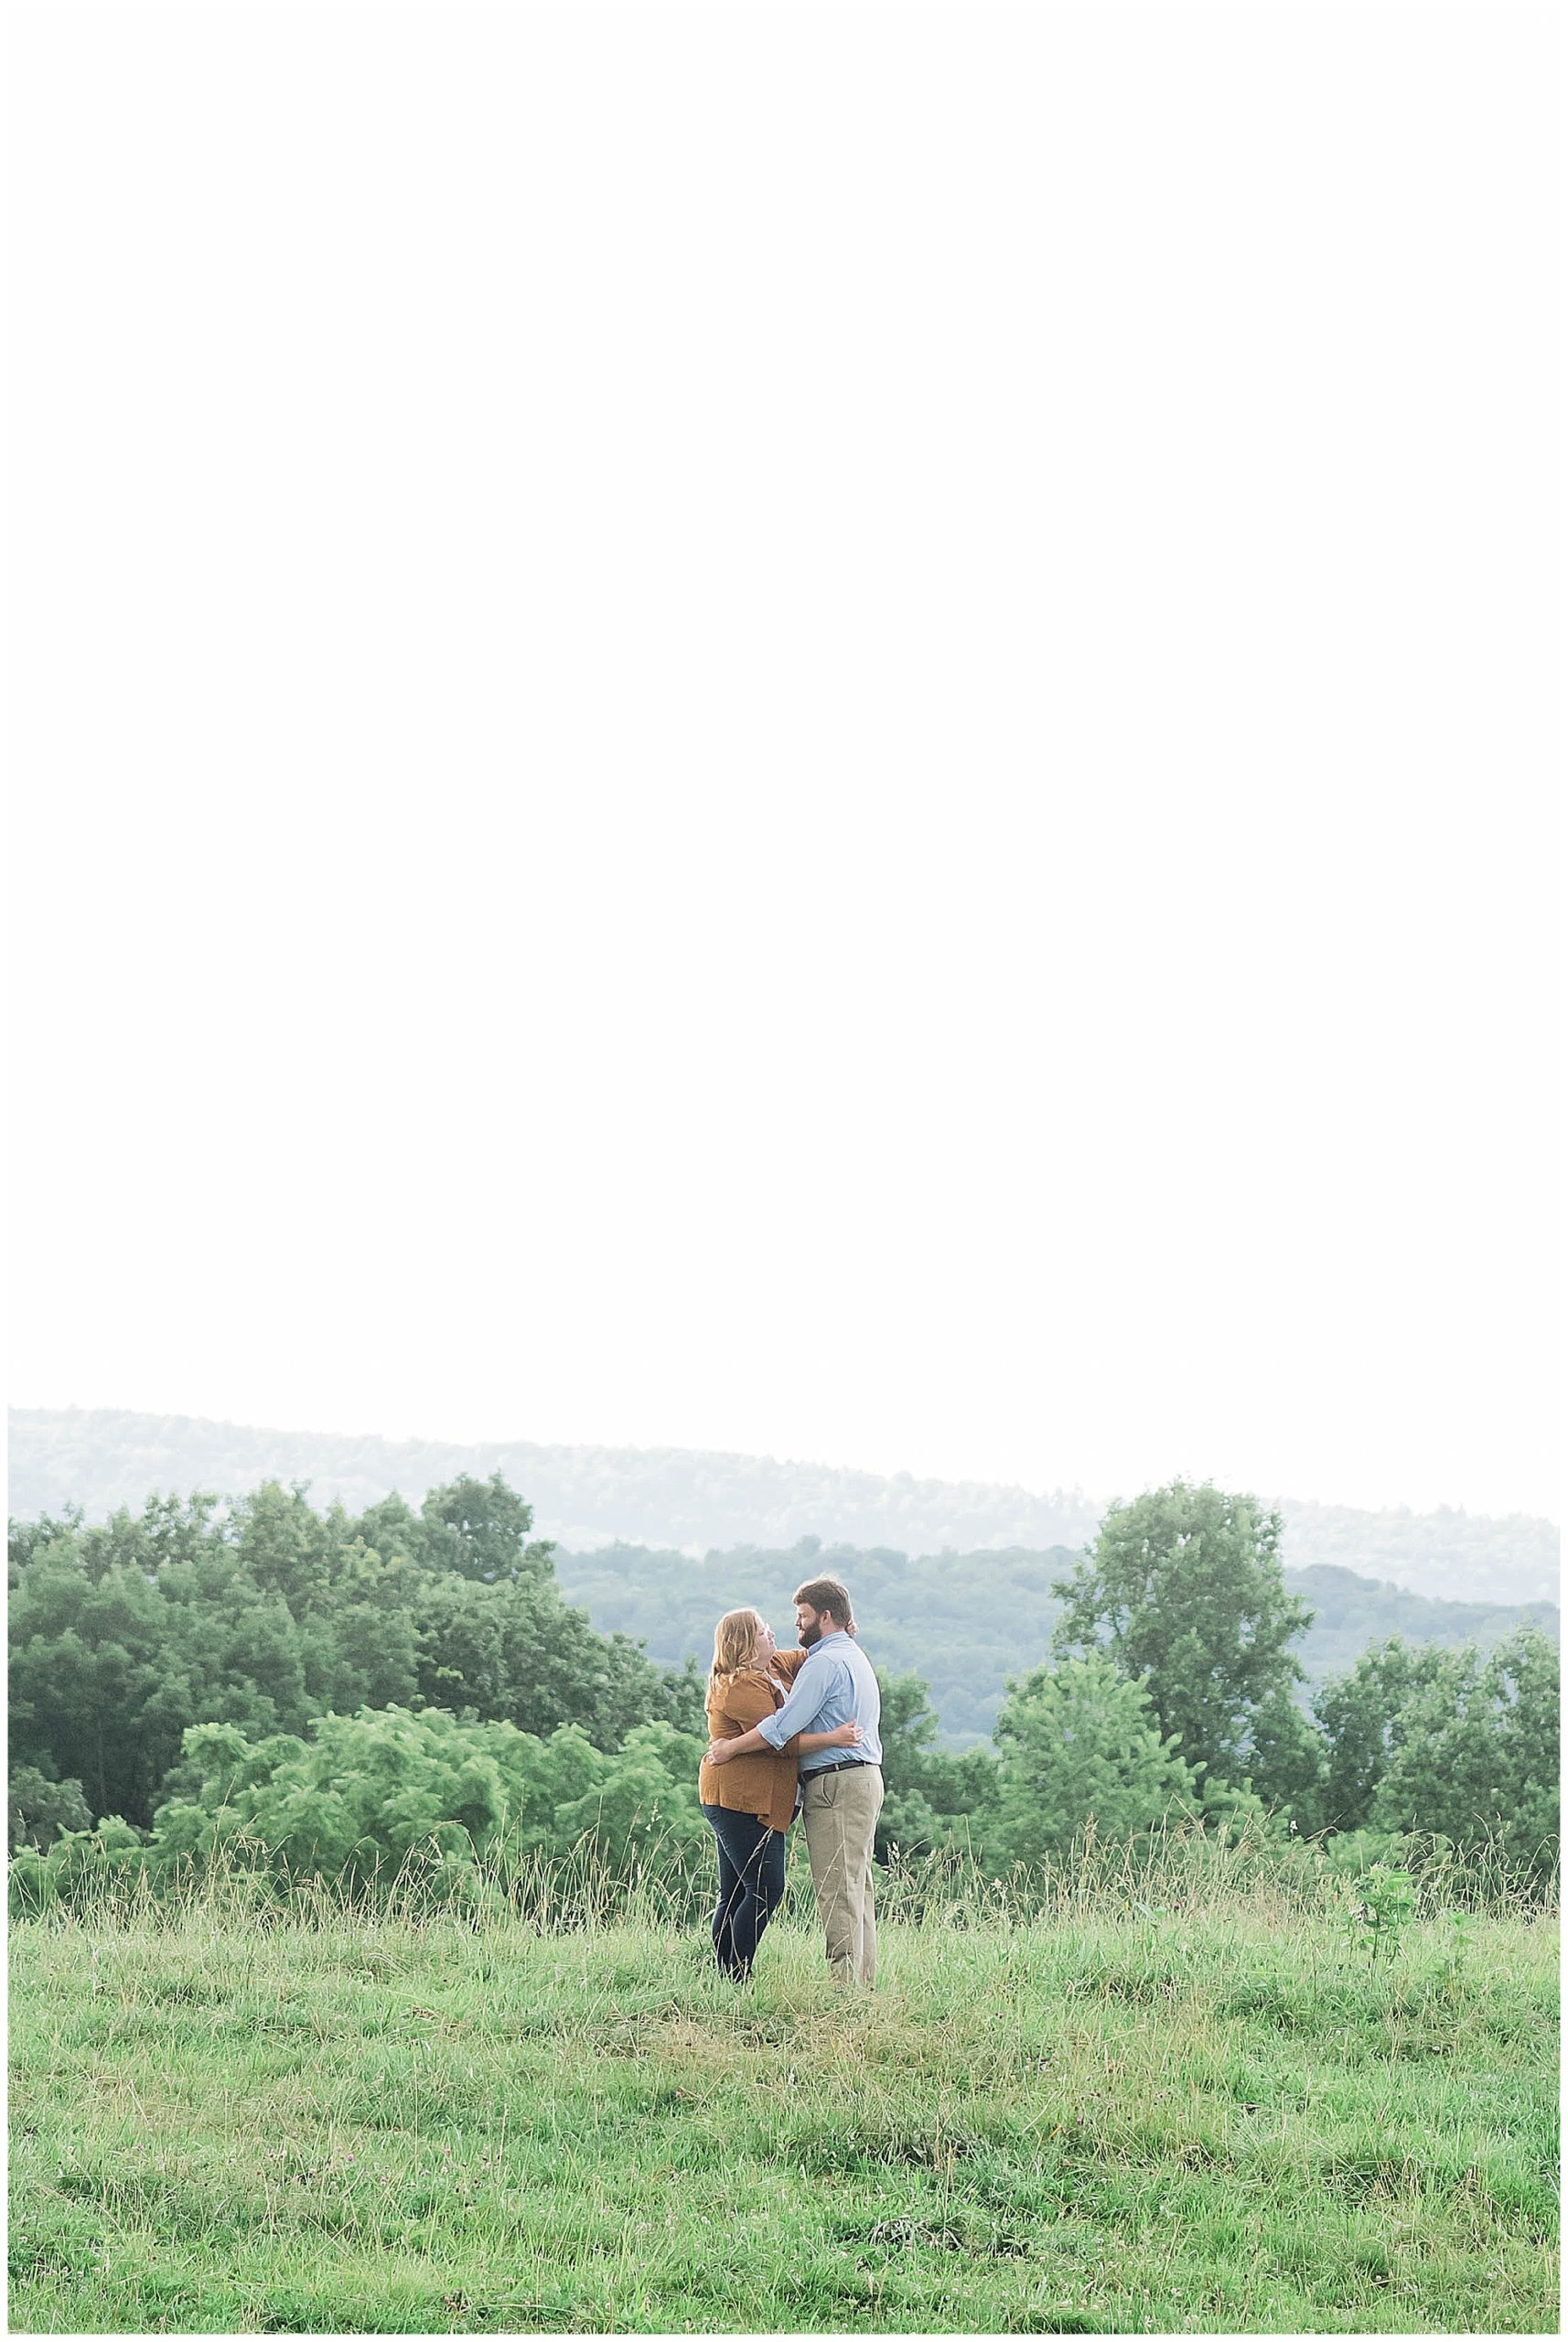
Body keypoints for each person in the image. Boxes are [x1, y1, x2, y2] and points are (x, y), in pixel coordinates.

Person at [705, 1575, 883, 1988]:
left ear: (825, 1617)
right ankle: (855, 1981)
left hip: (836, 1782)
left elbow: (779, 1731)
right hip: (823, 1784)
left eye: (801, 1617)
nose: (792, 1626)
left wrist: (730, 1748)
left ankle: (845, 1987)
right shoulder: (841, 1654)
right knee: (852, 1887)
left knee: (838, 1889)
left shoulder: (821, 1662)